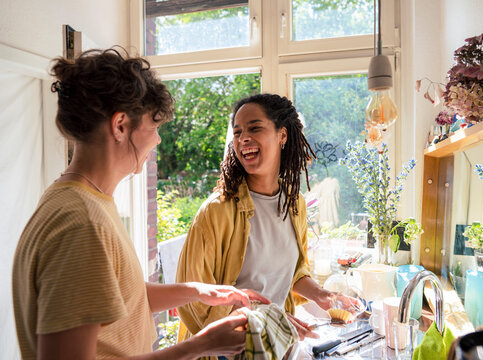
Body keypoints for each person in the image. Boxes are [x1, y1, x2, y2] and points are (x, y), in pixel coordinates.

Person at [11, 48, 270, 360]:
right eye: (154, 125)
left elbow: (123, 298)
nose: (158, 140)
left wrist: (199, 291)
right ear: (120, 125)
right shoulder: (82, 224)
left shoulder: (79, 200)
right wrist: (199, 345)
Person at [175, 94, 361, 343]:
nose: (243, 139)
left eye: (255, 128)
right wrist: (265, 320)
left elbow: (294, 272)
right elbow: (194, 300)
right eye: (238, 132)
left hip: (276, 341)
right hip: (227, 349)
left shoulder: (295, 204)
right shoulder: (216, 211)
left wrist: (323, 295)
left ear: (282, 135)